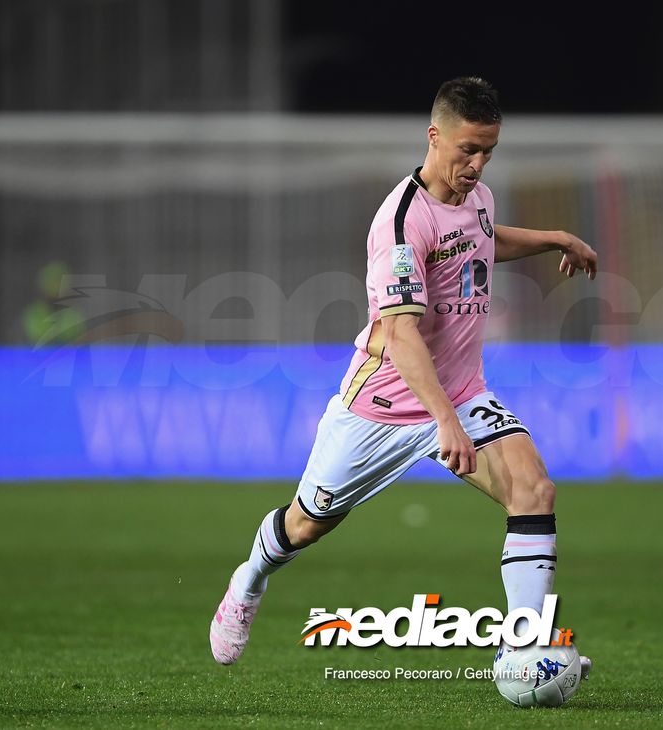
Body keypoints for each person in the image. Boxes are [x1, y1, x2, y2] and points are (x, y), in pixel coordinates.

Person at [209, 77, 598, 674]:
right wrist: (443, 420)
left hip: (464, 392)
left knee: (533, 488)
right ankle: (249, 579)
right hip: (382, 408)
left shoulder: (479, 199)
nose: (477, 163)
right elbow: (401, 334)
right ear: (433, 135)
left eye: (488, 151)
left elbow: (483, 244)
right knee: (306, 523)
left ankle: (530, 643)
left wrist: (554, 238)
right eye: (467, 149)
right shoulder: (399, 225)